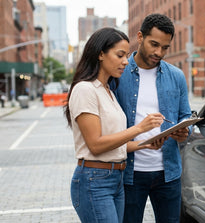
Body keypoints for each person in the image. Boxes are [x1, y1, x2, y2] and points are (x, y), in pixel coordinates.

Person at [63, 27, 167, 223]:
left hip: (116, 179)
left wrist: (146, 143)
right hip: (94, 180)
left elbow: (115, 144)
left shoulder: (108, 91)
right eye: (120, 55)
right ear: (100, 54)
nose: (125, 62)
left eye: (126, 56)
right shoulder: (85, 89)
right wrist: (139, 129)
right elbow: (96, 144)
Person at [112, 13, 192, 223]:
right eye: (154, 44)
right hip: (130, 173)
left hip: (168, 173)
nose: (159, 52)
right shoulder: (119, 74)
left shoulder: (176, 76)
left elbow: (185, 115)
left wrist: (184, 131)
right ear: (140, 37)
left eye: (165, 47)